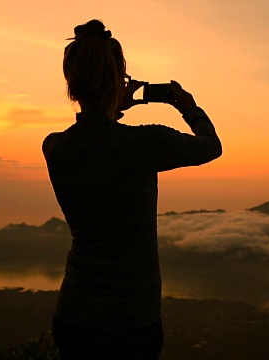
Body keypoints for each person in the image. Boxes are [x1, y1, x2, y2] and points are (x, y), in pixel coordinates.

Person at [43, 19, 222, 359]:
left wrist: (111, 105)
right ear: (117, 81)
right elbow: (210, 146)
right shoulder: (143, 143)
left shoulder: (55, 148)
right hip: (131, 319)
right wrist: (187, 106)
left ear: (72, 85)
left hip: (74, 315)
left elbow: (96, 137)